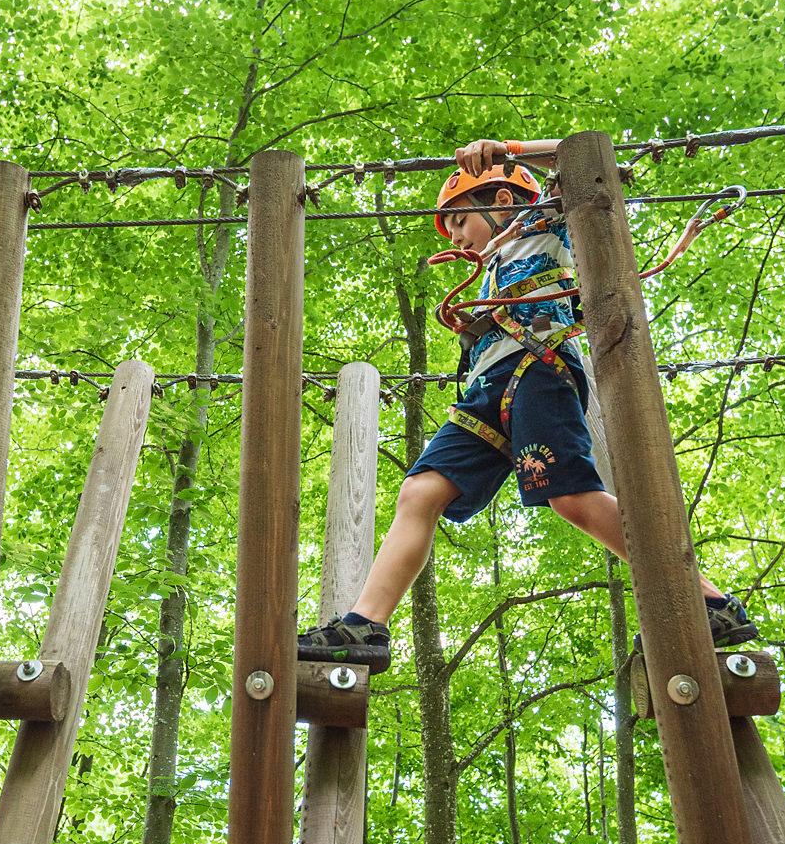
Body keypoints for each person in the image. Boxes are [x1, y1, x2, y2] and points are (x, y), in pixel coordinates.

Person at [296, 136, 757, 674]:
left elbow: (581, 157)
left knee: (573, 500)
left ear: (501, 203)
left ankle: (708, 602)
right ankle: (366, 627)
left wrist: (507, 151)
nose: (457, 238)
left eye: (460, 221)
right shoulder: (489, 268)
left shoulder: (543, 226)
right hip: (489, 388)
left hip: (542, 370)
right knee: (420, 490)